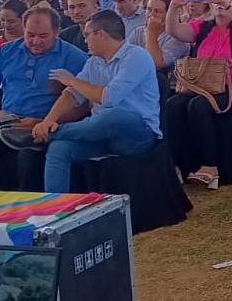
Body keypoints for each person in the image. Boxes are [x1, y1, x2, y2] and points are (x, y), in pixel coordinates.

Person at [0, 6, 88, 190]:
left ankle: (28, 211)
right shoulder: (7, 51)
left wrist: (45, 121)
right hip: (8, 122)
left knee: (27, 163)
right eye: (30, 34)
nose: (35, 41)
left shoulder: (74, 57)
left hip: (46, 127)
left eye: (43, 36)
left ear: (57, 32)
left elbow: (85, 103)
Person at [31, 11, 160, 190]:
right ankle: (56, 208)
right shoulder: (94, 61)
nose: (85, 41)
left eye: (87, 35)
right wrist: (48, 121)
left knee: (114, 116)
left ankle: (40, 135)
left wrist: (72, 80)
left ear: (101, 34)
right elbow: (72, 94)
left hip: (137, 134)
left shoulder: (137, 56)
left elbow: (108, 98)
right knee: (59, 149)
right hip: (101, 133)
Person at [165, 0, 232, 187]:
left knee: (199, 106)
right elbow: (173, 31)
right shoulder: (203, 27)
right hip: (202, 86)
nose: (219, 2)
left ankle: (210, 165)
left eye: (227, 0)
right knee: (173, 105)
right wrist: (174, 5)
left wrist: (227, 4)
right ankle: (180, 164)